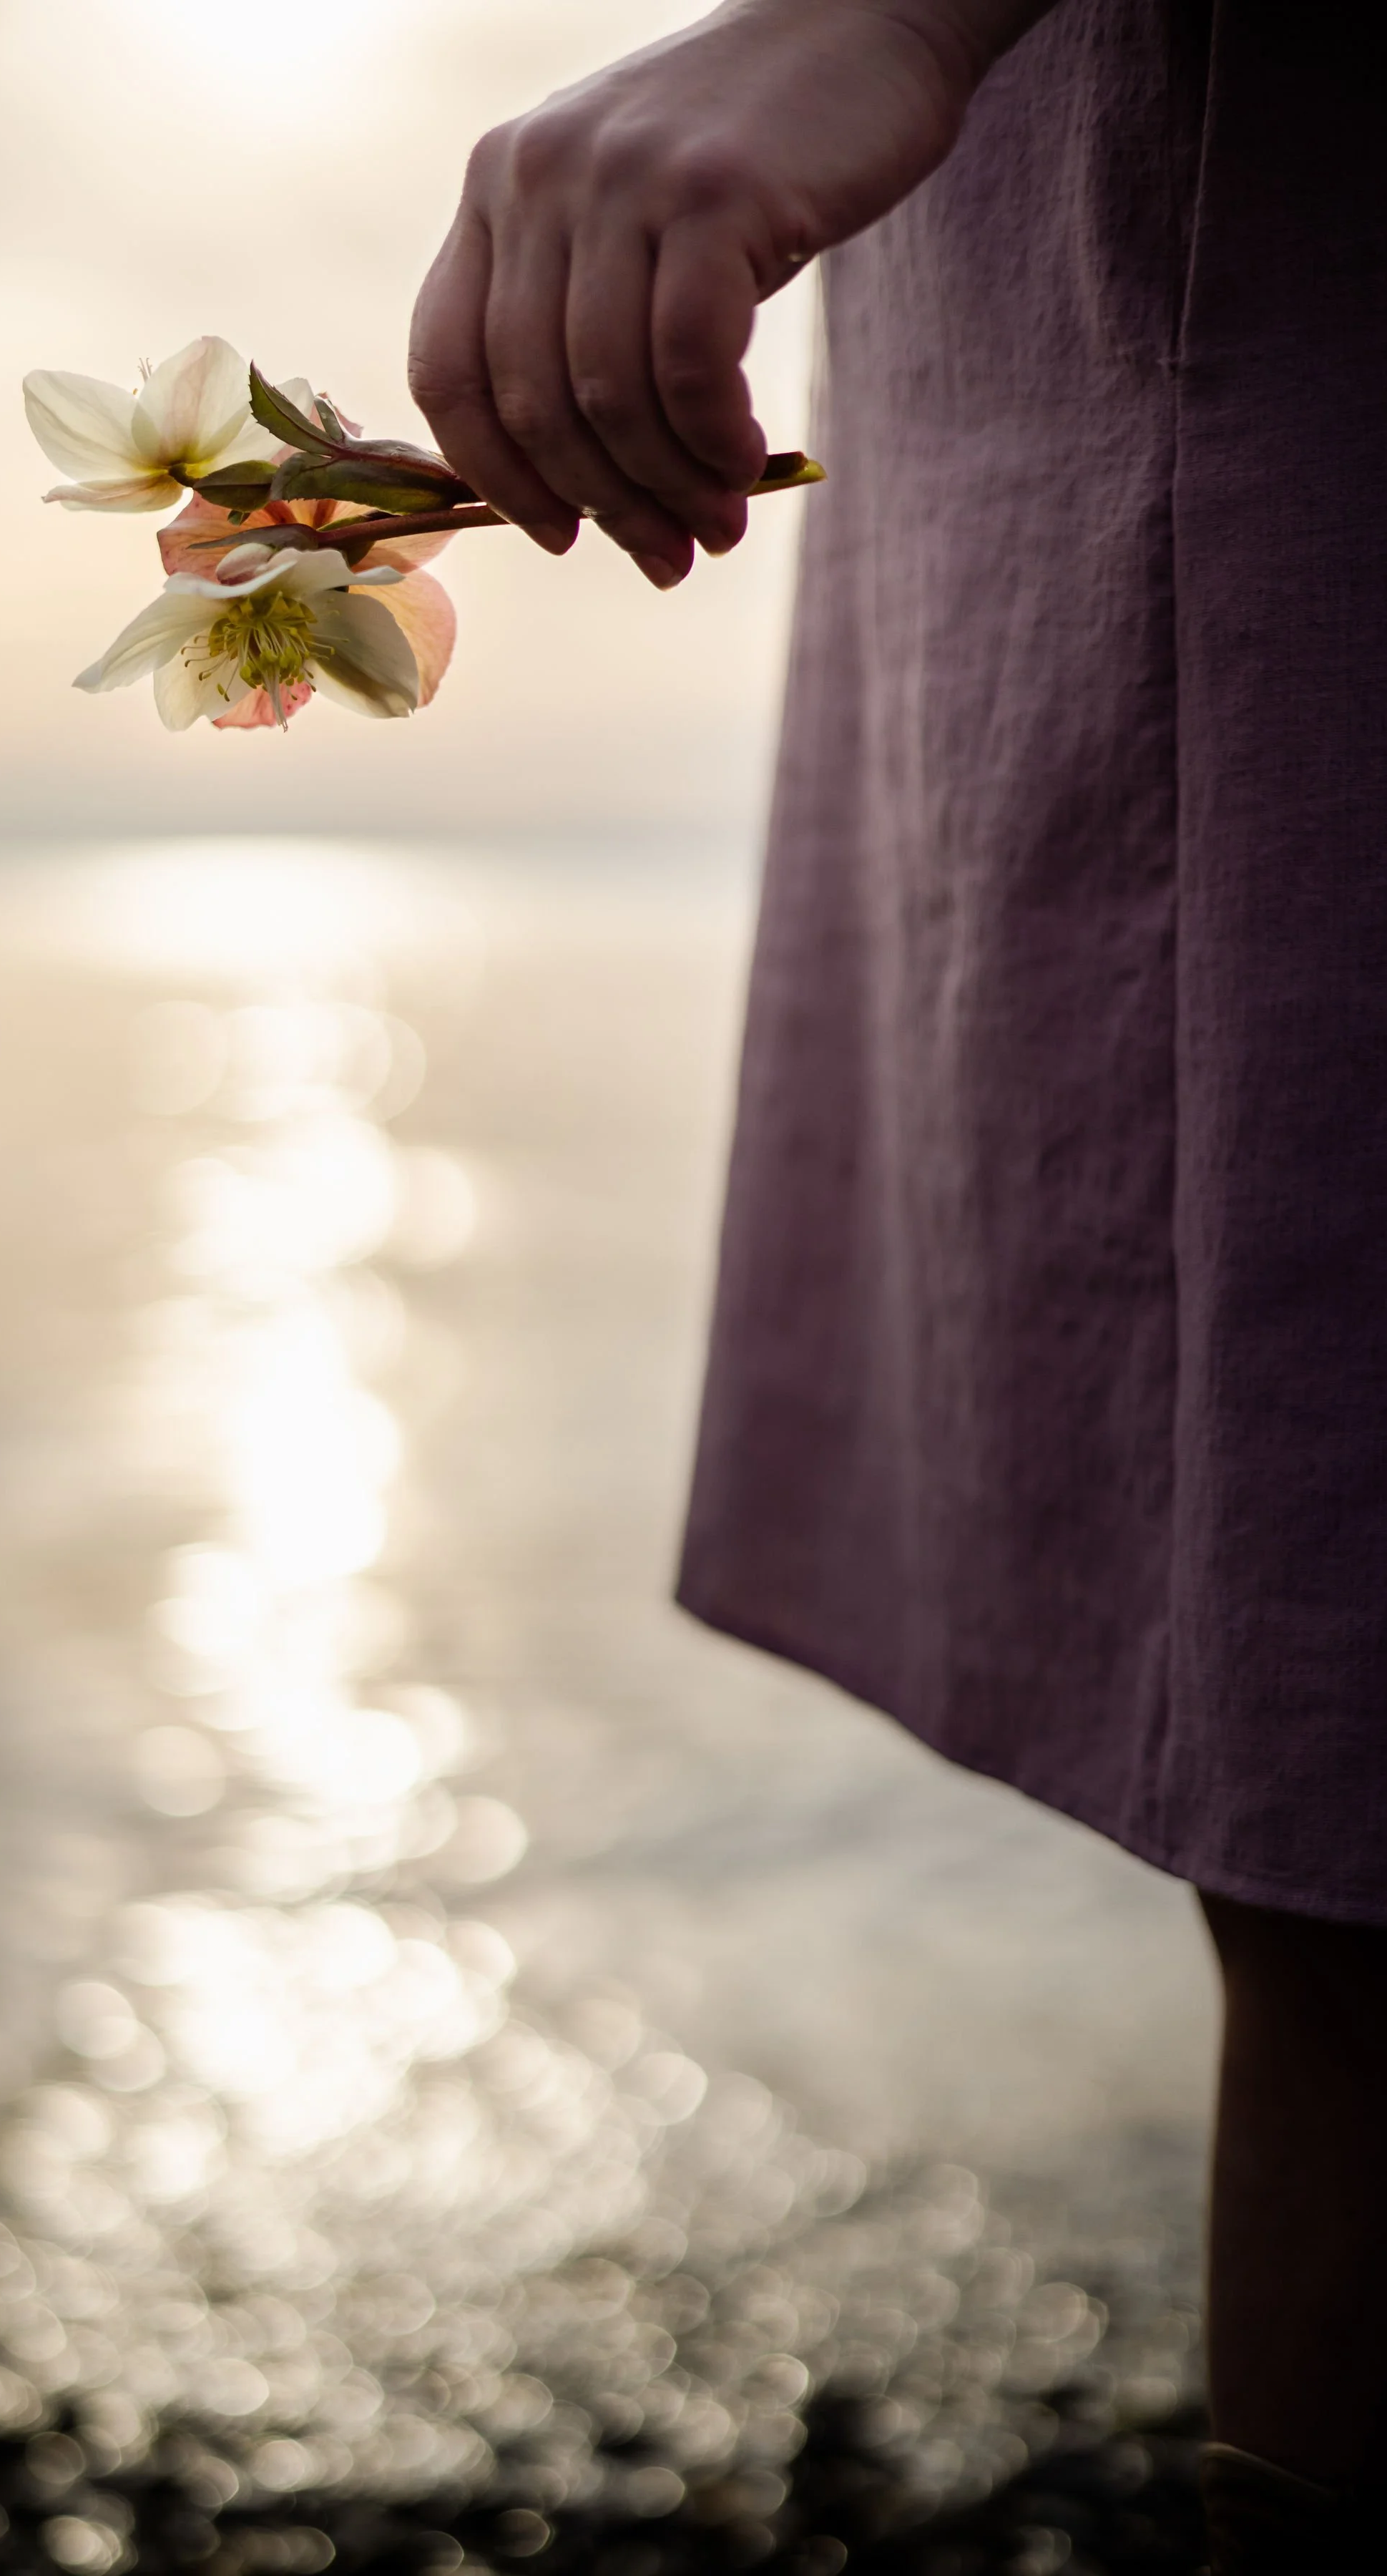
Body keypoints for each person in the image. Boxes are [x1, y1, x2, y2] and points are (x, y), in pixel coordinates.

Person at [408, 2, 1387, 2567]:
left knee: (1352, 1790)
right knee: (1335, 1823)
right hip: (1118, 300)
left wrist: (890, 13)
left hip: (1261, 285)